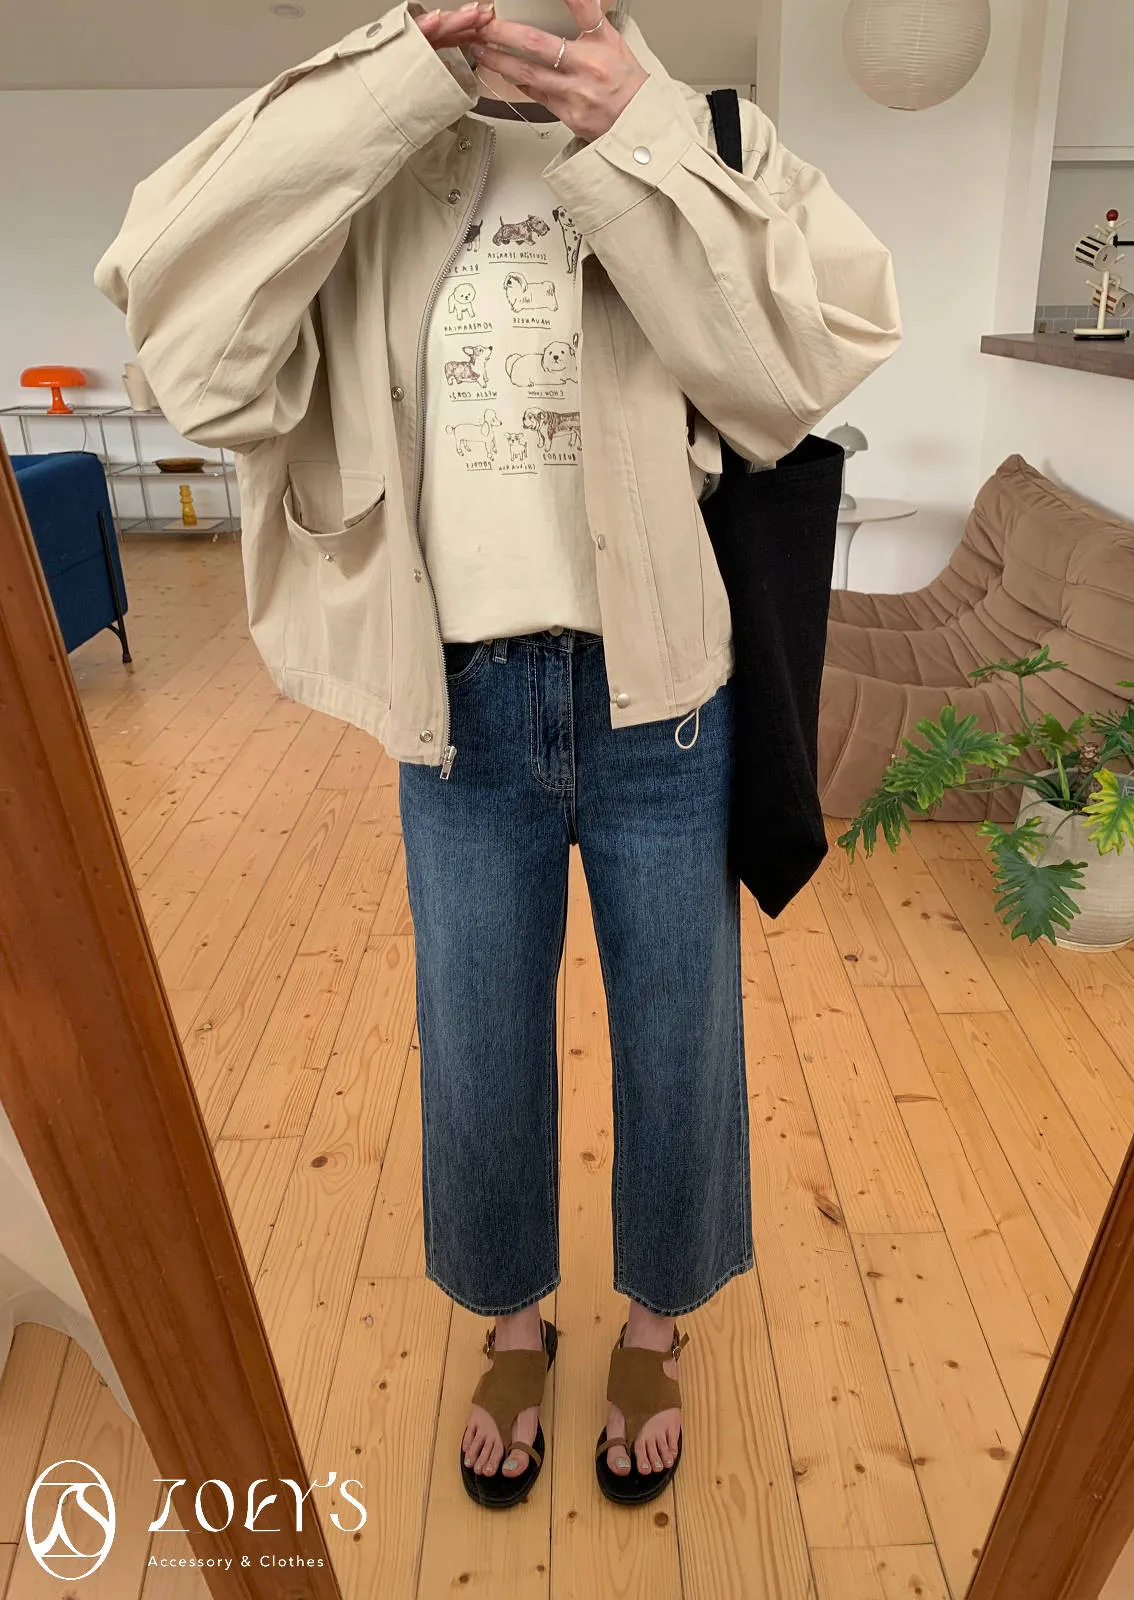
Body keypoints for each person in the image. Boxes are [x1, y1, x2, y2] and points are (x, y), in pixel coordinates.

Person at [96, 0, 900, 1510]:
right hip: (459, 705)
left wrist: (639, 131)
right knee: (475, 1036)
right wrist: (388, 84)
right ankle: (514, 1323)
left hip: (664, 699)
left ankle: (656, 1323)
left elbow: (794, 375)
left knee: (681, 1035)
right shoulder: (377, 170)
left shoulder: (714, 137)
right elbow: (191, 350)